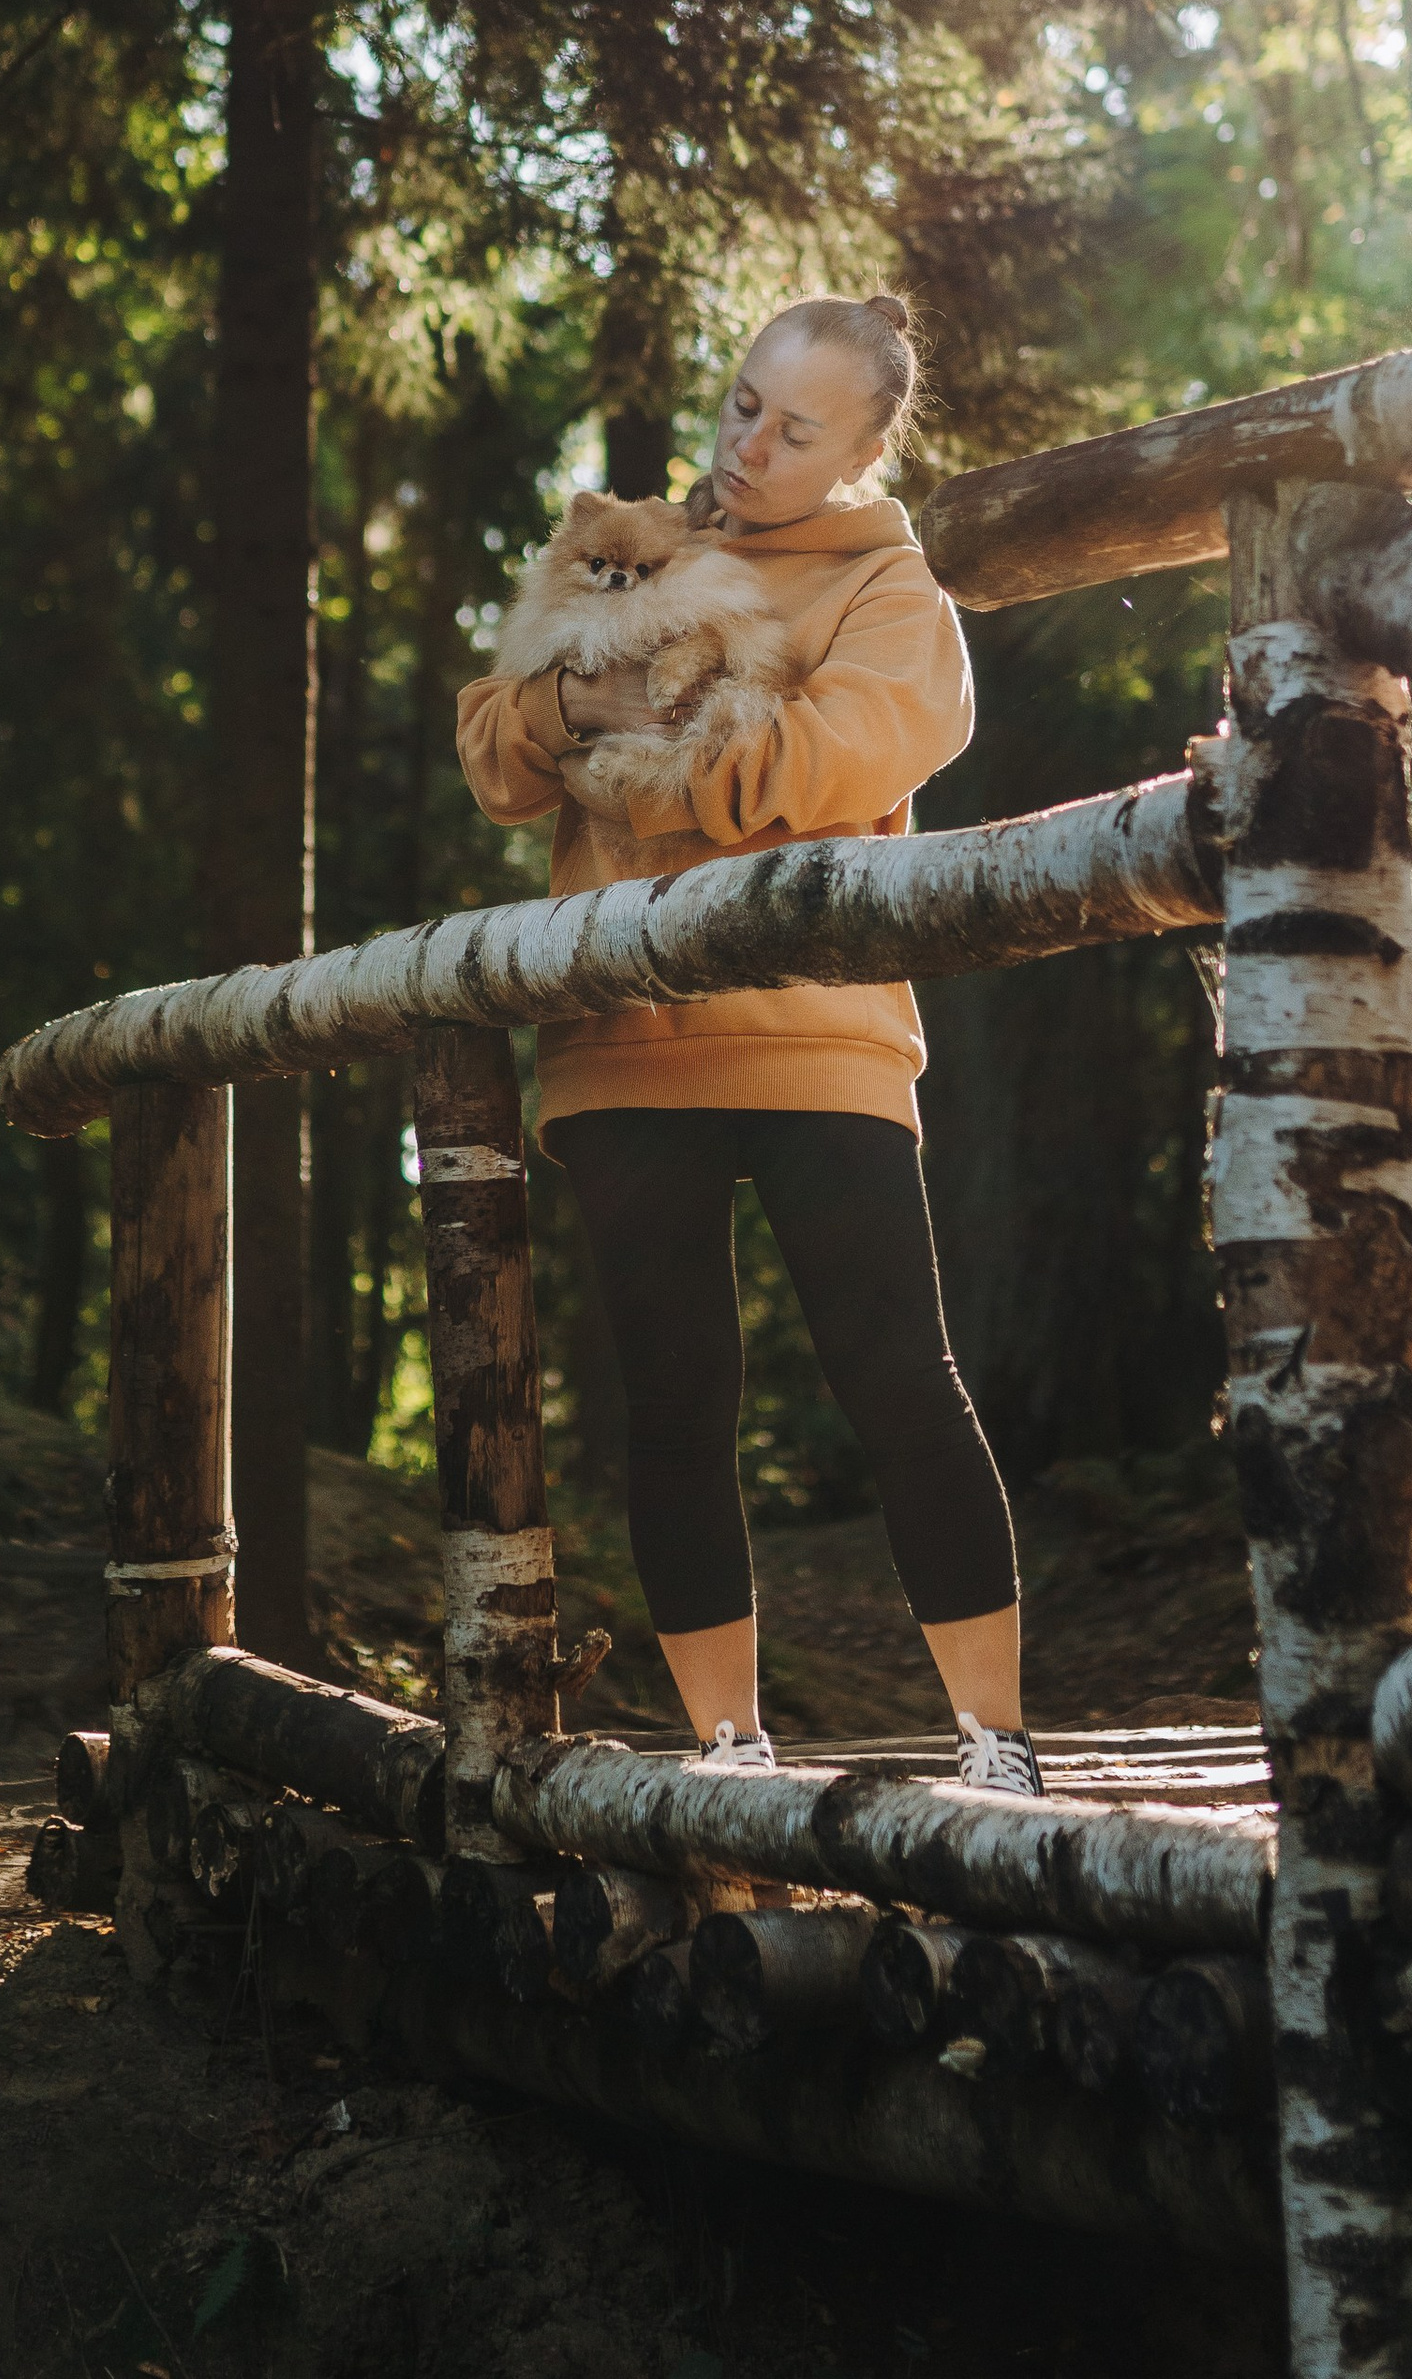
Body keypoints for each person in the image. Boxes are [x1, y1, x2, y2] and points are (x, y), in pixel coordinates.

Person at [454, 294, 1038, 1793]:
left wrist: (622, 731)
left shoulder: (896, 595)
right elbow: (497, 746)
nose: (750, 444)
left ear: (863, 450)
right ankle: (729, 1747)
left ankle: (1001, 1740)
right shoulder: (638, 532)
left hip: (815, 1030)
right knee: (674, 1394)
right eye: (741, 403)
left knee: (900, 1374)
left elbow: (817, 762)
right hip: (619, 1035)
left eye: (796, 427)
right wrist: (578, 699)